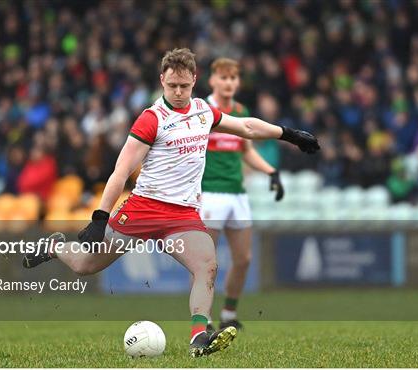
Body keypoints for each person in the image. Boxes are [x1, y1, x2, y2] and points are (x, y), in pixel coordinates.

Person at [23, 48, 320, 357]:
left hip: (183, 215)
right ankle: (55, 246)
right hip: (143, 208)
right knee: (85, 265)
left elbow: (246, 127)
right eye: (172, 86)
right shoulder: (152, 119)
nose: (178, 93)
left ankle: (198, 337)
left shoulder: (204, 111)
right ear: (162, 80)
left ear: (194, 80)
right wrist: (100, 217)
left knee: (207, 265)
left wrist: (290, 134)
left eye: (184, 86)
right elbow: (121, 170)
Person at [200, 58, 284, 331]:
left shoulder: (240, 111)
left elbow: (246, 151)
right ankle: (204, 319)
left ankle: (228, 315)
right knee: (206, 263)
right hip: (210, 192)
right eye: (223, 78)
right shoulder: (202, 110)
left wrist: (271, 171)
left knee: (244, 259)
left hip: (237, 193)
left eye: (233, 78)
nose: (229, 83)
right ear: (212, 80)